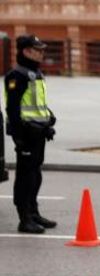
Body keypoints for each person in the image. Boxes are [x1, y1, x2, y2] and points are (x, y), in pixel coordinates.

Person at [5, 34, 56, 234]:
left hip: (38, 133)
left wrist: (49, 119)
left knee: (35, 174)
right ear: (26, 51)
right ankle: (24, 218)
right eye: (38, 50)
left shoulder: (35, 73)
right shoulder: (17, 75)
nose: (42, 53)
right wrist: (19, 137)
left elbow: (37, 104)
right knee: (25, 177)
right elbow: (13, 108)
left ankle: (33, 213)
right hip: (26, 135)